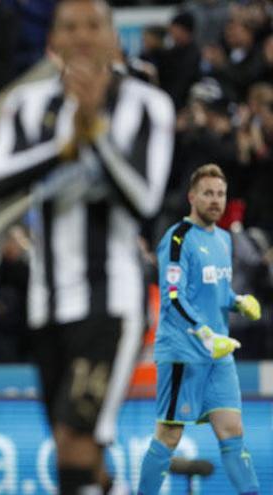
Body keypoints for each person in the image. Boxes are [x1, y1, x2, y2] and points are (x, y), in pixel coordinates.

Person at [0, 0, 175, 493]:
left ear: (114, 36)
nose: (83, 34)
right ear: (54, 40)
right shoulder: (27, 105)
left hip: (110, 303)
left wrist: (99, 132)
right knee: (82, 457)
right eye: (70, 25)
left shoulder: (146, 104)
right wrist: (66, 144)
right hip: (47, 304)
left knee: (75, 442)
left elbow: (145, 197)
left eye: (94, 24)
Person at [138, 164, 261, 495]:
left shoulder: (224, 240)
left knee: (232, 431)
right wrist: (206, 336)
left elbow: (217, 291)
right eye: (208, 193)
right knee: (169, 435)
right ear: (192, 197)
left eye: (220, 194)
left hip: (219, 353)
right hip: (184, 351)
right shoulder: (177, 238)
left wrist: (238, 301)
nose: (215, 200)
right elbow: (173, 298)